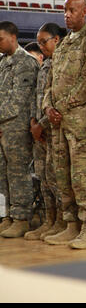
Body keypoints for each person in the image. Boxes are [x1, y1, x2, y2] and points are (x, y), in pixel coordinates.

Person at [42, 0, 86, 249]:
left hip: (80, 122)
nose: (67, 15)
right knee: (62, 174)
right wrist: (48, 107)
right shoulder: (64, 44)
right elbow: (50, 81)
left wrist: (62, 107)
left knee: (81, 176)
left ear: (85, 12)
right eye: (65, 10)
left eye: (72, 10)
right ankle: (71, 225)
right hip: (58, 121)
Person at [24, 23, 67, 241]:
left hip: (53, 128)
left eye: (44, 42)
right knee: (43, 177)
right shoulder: (46, 64)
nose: (41, 47)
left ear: (57, 39)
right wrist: (33, 121)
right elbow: (37, 97)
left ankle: (63, 221)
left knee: (56, 178)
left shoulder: (62, 62)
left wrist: (41, 123)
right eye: (38, 42)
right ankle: (49, 221)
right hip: (39, 128)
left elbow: (56, 99)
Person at [0, 21, 39, 237]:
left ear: (13, 37)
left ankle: (22, 217)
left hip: (16, 127)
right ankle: (6, 215)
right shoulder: (2, 63)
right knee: (2, 174)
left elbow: (19, 100)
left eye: (1, 38)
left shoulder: (26, 63)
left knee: (17, 173)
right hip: (2, 125)